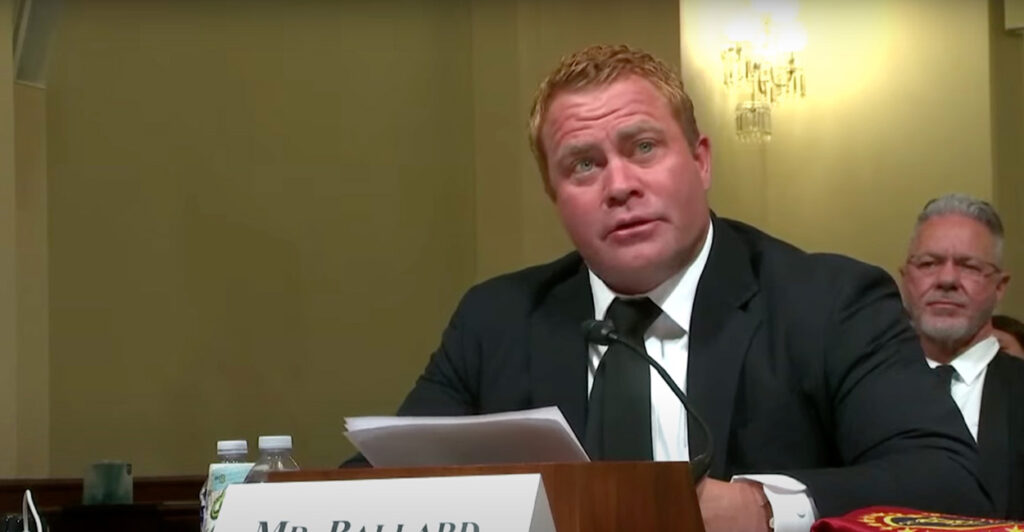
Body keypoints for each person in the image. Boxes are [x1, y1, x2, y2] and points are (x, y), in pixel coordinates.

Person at [385, 45, 989, 530]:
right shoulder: (496, 320)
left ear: (701, 161)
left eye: (644, 147)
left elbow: (950, 485)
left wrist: (764, 508)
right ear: (555, 196)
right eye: (584, 165)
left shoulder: (829, 301)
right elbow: (378, 484)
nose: (619, 186)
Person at [899, 194, 1024, 519]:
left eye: (969, 266)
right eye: (929, 263)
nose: (947, 280)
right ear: (905, 278)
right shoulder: (860, 392)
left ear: (1000, 287)